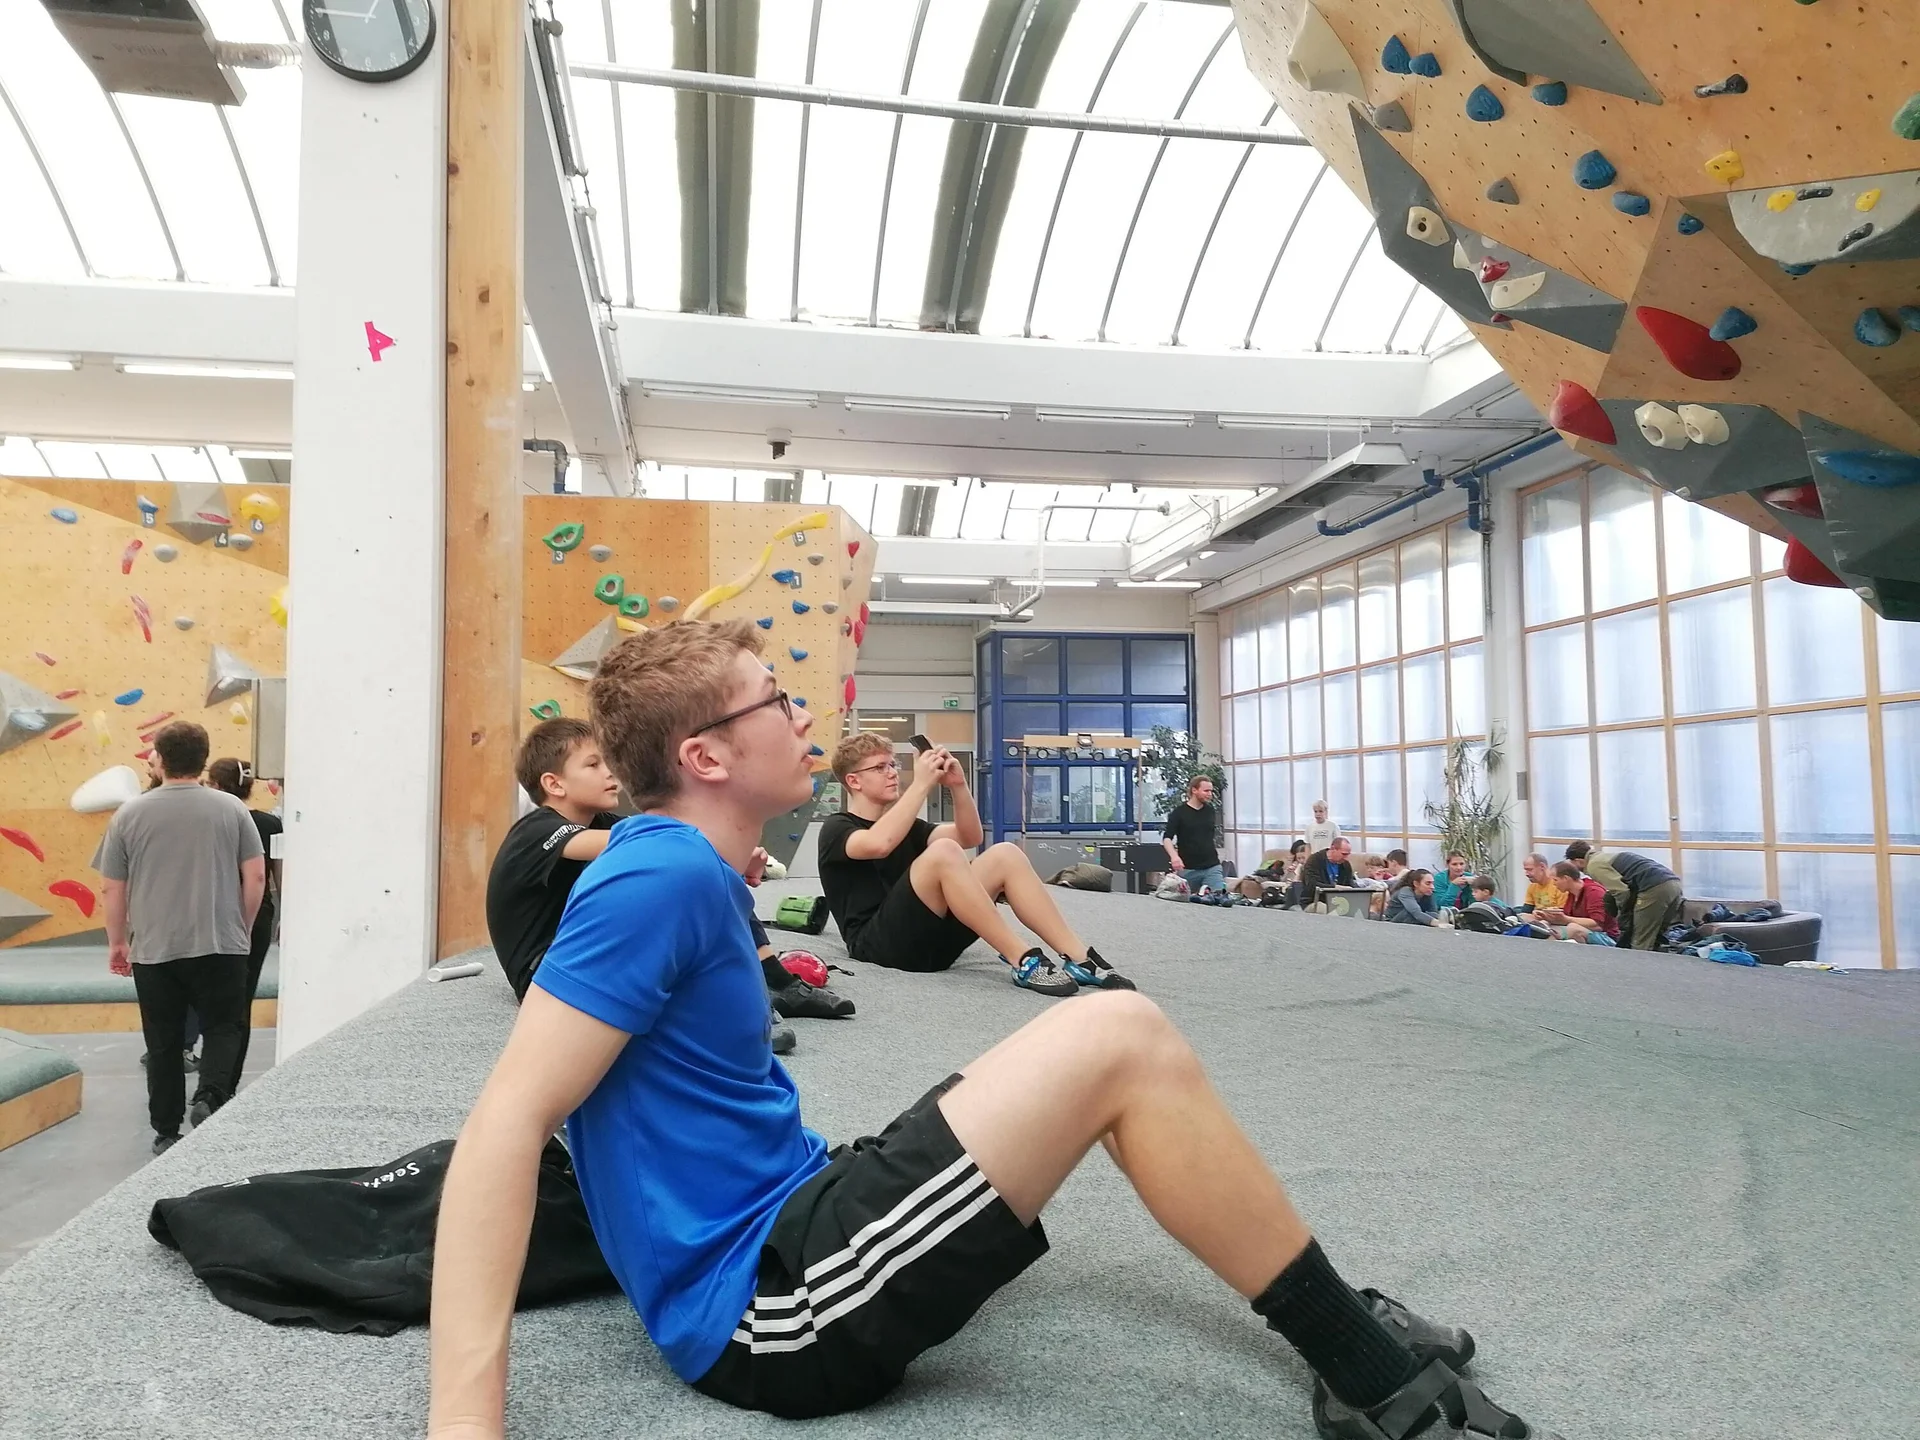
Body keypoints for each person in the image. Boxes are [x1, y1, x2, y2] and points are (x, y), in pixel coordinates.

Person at [425, 618, 1555, 1440]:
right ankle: (1361, 1367)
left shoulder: (689, 868)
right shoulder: (657, 878)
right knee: (1117, 1037)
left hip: (795, 1208)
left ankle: (1333, 1308)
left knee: (1092, 1055)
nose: (804, 714)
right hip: (768, 1311)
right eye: (776, 699)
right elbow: (508, 1119)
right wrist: (464, 1427)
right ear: (707, 757)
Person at [485, 719, 849, 1040]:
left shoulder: (607, 824)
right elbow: (645, 841)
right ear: (554, 784)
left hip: (588, 952)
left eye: (607, 761)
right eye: (593, 764)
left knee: (707, 878)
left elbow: (671, 850)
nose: (610, 772)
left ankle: (775, 980)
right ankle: (721, 1015)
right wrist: (720, 845)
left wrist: (731, 862)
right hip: (545, 973)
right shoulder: (536, 830)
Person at [819, 732, 1131, 995]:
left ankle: (1079, 958)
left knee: (1004, 854)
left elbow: (969, 836)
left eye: (893, 764)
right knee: (944, 852)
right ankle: (1021, 958)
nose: (891, 772)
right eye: (879, 767)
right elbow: (878, 844)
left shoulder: (907, 827)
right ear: (853, 781)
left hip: (933, 943)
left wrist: (958, 786)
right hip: (879, 947)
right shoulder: (837, 829)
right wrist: (921, 785)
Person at [99, 721, 264, 1154]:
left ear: (160, 756)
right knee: (224, 1025)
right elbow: (256, 875)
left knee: (164, 1041)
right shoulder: (232, 809)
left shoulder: (129, 814)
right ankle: (211, 1095)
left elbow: (112, 886)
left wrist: (118, 941)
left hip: (155, 948)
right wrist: (241, 926)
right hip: (219, 942)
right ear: (203, 758)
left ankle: (166, 1130)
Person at [204, 758, 281, 1099]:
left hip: (213, 915)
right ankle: (224, 1085)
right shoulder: (269, 824)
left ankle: (210, 1080)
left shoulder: (209, 821)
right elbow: (277, 876)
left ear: (217, 786)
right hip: (256, 918)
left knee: (208, 1000)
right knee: (240, 1001)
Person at [1565, 843, 1682, 951]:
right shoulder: (1605, 856)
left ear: (1579, 861)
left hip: (1653, 888)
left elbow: (1621, 891)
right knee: (1657, 935)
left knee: (1640, 939)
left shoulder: (1594, 865)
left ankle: (1637, 969)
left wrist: (1623, 916)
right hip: (1673, 884)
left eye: (1573, 864)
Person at [1161, 775, 1225, 895]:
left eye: (1211, 791)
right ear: (1194, 790)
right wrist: (1174, 857)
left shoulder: (1210, 811)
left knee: (1219, 898)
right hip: (1187, 869)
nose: (1210, 794)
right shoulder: (1179, 813)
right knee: (1187, 903)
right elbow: (1167, 838)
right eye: (1206, 791)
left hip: (1212, 866)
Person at [1533, 861, 1617, 944]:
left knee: (1573, 929)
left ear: (1566, 878)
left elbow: (1597, 925)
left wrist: (1566, 919)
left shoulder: (1594, 892)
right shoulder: (1572, 894)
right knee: (1536, 921)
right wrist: (1547, 917)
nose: (1554, 884)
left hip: (1607, 937)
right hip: (1589, 932)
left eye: (1555, 880)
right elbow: (1567, 917)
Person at [1297, 837, 1358, 907]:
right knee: (1322, 908)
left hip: (1338, 902)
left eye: (1348, 854)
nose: (1346, 858)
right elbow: (1312, 885)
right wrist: (1335, 887)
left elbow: (1350, 884)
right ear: (1333, 849)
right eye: (1344, 854)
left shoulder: (1345, 864)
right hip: (1314, 901)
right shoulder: (1314, 860)